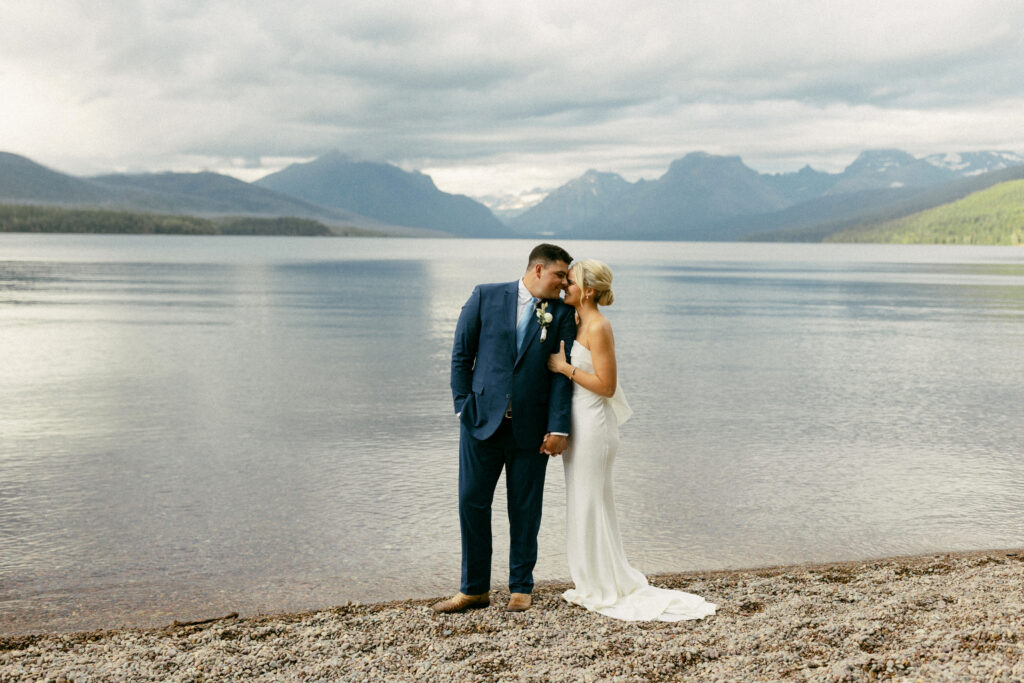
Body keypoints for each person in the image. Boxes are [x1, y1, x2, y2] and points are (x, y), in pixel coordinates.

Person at [546, 259, 717, 621]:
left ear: (588, 290)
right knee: (582, 500)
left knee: (592, 502)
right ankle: (591, 578)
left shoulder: (599, 327)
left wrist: (565, 368)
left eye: (571, 282)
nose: (565, 287)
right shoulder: (576, 321)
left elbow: (606, 386)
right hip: (578, 424)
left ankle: (604, 584)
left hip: (595, 426)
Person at [432, 244, 577, 613]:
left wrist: (559, 426)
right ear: (539, 269)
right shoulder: (486, 295)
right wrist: (462, 407)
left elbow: (562, 375)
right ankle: (473, 589)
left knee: (526, 508)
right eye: (561, 275)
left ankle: (521, 587)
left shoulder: (560, 313)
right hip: (480, 422)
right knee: (471, 503)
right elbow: (461, 355)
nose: (564, 284)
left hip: (532, 428)